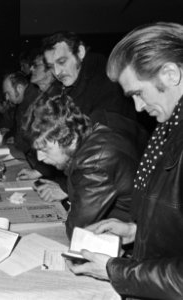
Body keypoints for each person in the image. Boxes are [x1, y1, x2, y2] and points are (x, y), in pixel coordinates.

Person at [67, 22, 183, 300]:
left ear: (170, 74)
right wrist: (137, 231)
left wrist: (115, 271)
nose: (138, 108)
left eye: (138, 94)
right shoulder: (172, 126)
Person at [28, 94, 138, 238]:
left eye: (45, 150)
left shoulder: (95, 162)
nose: (40, 158)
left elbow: (77, 232)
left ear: (71, 141)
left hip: (130, 241)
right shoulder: (92, 130)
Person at [41, 31, 137, 124]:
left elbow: (105, 136)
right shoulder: (59, 88)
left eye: (62, 62)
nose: (57, 72)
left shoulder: (108, 83)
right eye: (51, 66)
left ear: (80, 52)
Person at [2, 72, 39, 152]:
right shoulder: (26, 100)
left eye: (8, 93)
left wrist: (15, 142)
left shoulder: (29, 104)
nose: (7, 98)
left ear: (19, 88)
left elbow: (23, 144)